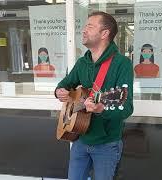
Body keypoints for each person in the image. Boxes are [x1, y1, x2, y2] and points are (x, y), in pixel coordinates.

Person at [55, 11, 134, 180]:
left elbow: (126, 108)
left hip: (107, 144)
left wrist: (100, 109)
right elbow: (64, 84)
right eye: (85, 26)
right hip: (80, 139)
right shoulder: (82, 62)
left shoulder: (122, 64)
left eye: (90, 26)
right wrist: (59, 92)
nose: (84, 30)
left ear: (105, 33)